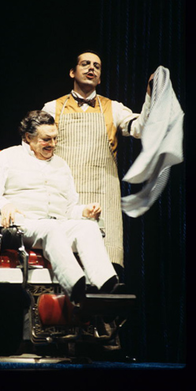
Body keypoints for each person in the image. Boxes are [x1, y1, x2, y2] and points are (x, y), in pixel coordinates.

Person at [0, 110, 124, 312]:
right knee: (50, 228)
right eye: (46, 139)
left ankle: (107, 289)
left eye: (55, 138)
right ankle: (78, 291)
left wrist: (84, 212)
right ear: (28, 137)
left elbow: (69, 208)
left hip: (57, 224)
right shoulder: (7, 158)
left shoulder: (61, 165)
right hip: (24, 225)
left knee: (87, 228)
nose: (53, 144)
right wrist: (3, 204)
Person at [42, 50, 154, 270]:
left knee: (102, 264)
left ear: (100, 78)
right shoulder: (51, 108)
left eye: (96, 66)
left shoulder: (114, 108)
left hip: (103, 192)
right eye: (85, 64)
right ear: (73, 72)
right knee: (64, 262)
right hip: (65, 193)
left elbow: (140, 129)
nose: (91, 68)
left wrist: (150, 96)